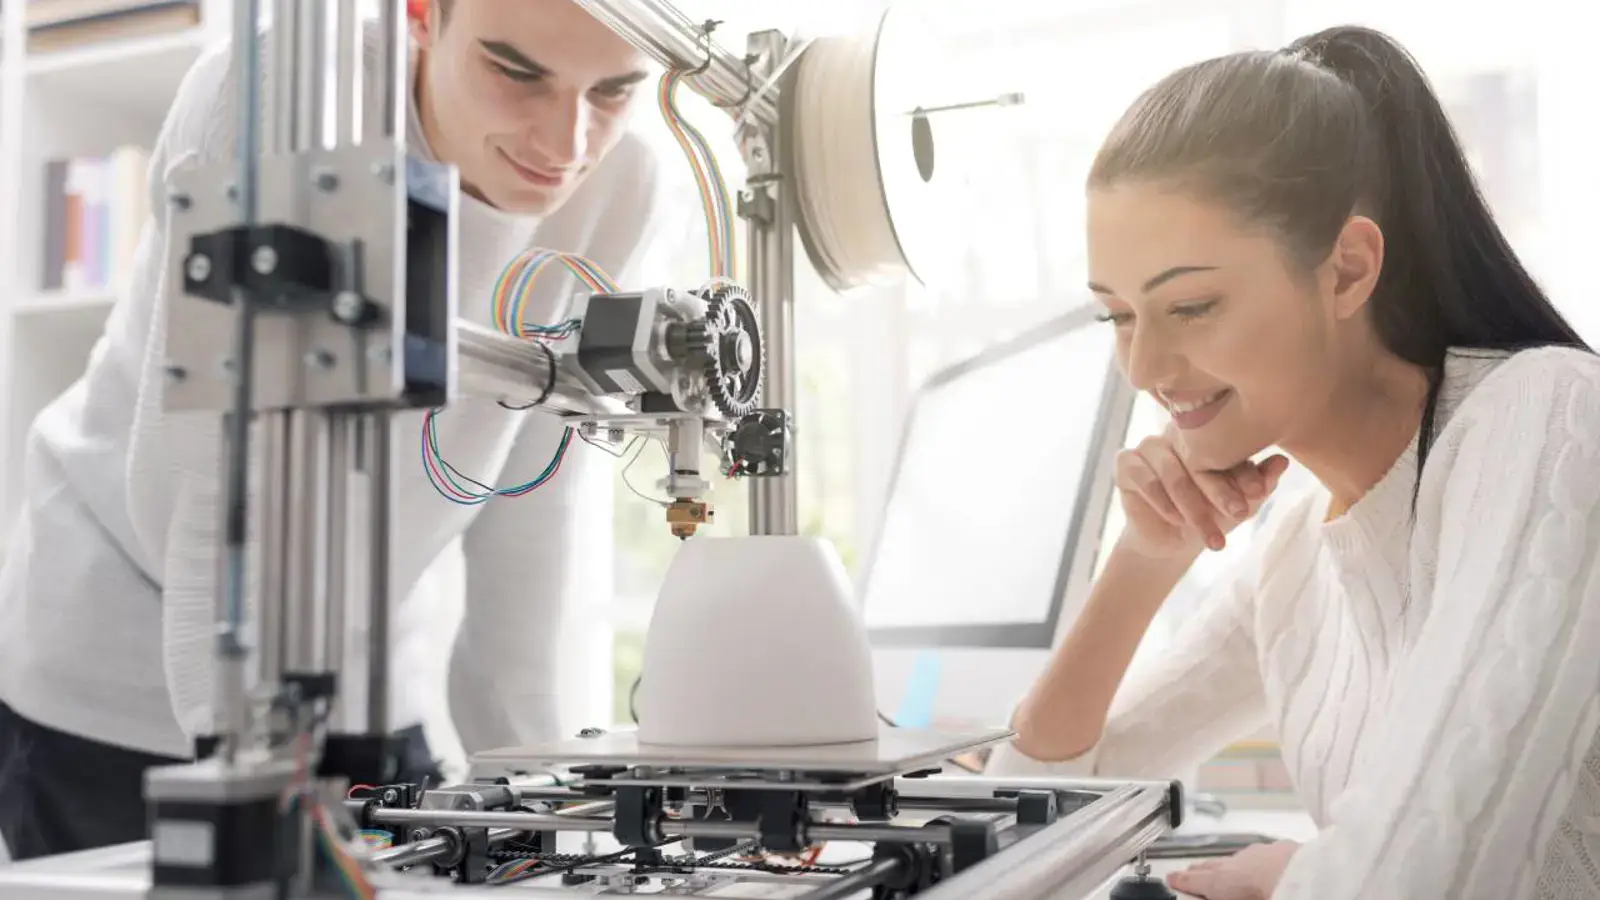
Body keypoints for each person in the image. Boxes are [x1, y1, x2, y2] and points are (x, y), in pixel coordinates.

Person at [0, 0, 670, 860]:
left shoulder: (620, 185)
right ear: (422, 15)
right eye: (516, 72)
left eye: (612, 91)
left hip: (366, 675)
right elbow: (204, 492)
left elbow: (531, 500)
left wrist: (538, 807)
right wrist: (238, 763)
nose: (567, 143)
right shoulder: (291, 92)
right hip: (119, 655)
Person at [996, 24, 1600, 900]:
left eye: (1192, 306)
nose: (1146, 370)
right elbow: (1028, 830)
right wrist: (1143, 561)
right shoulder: (1296, 543)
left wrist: (1292, 882)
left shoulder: (1542, 416)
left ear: (1348, 270)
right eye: (1119, 316)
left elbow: (1433, 873)